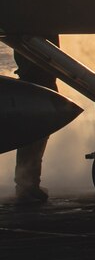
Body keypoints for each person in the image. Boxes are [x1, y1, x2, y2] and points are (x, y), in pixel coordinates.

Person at [12, 34, 60, 204]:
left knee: (33, 140)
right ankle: (27, 186)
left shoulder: (27, 32)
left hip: (34, 82)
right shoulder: (36, 31)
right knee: (35, 139)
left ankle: (27, 184)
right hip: (39, 85)